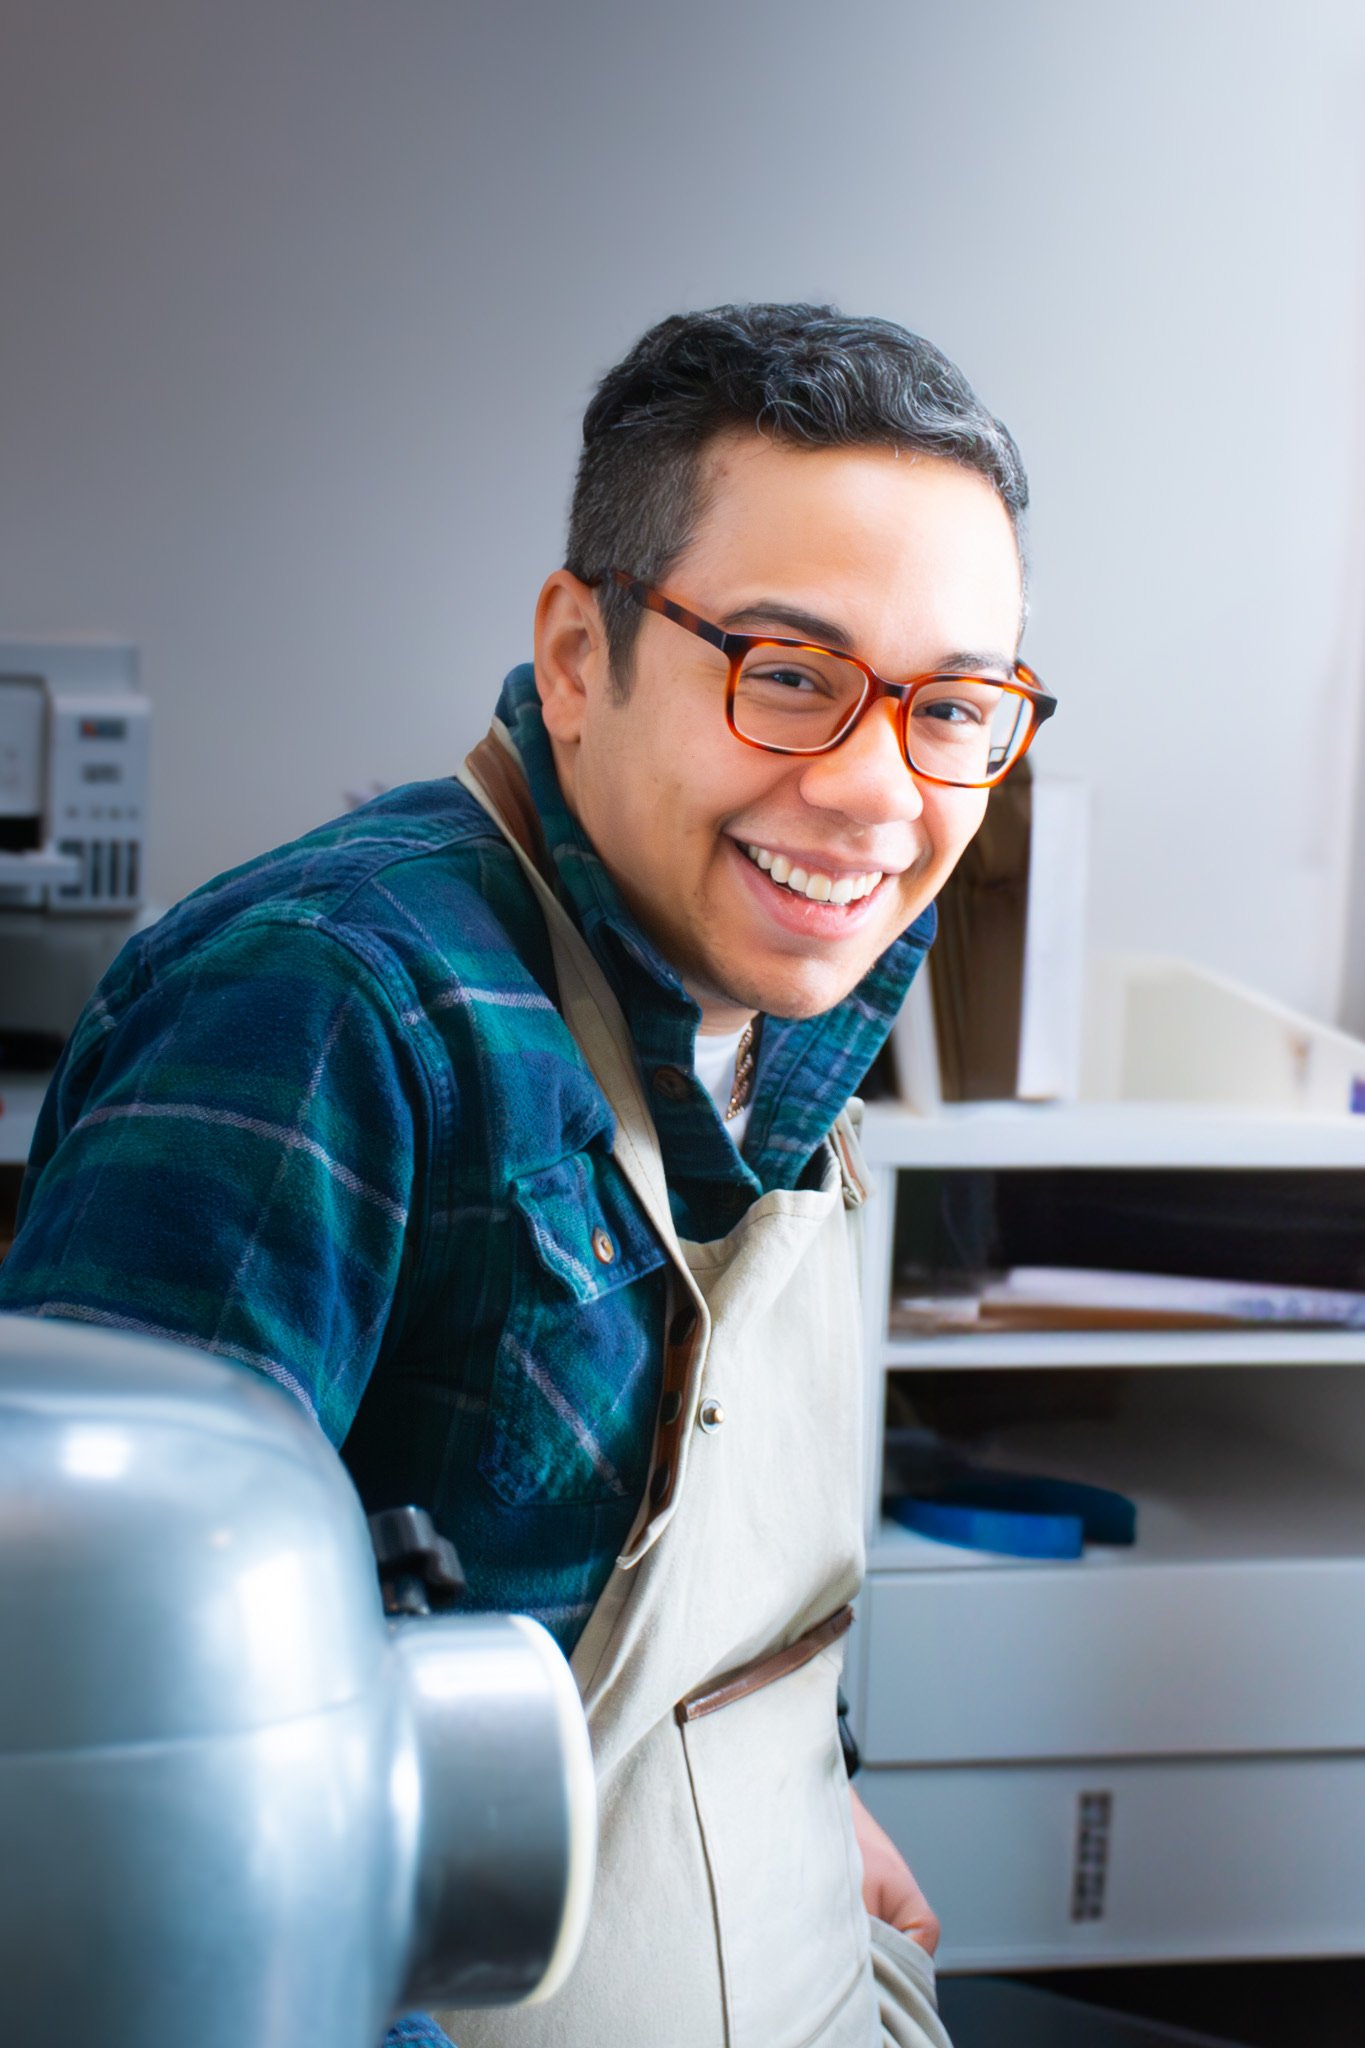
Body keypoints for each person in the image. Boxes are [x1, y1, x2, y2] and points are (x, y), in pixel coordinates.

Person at [0, 303, 1052, 2046]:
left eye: (952, 707)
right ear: (579, 652)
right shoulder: (325, 1012)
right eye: (786, 674)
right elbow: (94, 1804)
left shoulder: (795, 973)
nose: (877, 792)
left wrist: (777, 1778)